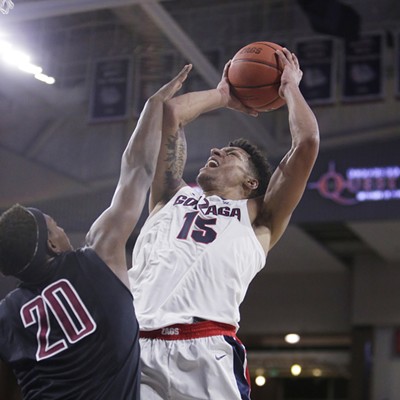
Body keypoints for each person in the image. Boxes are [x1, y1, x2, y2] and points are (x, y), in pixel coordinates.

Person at [128, 48, 320, 399]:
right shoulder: (170, 195)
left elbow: (306, 143)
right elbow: (170, 114)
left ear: (251, 184)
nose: (216, 152)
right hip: (137, 347)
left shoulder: (260, 216)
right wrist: (222, 95)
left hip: (206, 349)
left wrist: (289, 87)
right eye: (218, 151)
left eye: (231, 155)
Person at [0, 64, 192, 400]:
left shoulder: (6, 315)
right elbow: (138, 171)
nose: (59, 224)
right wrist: (152, 108)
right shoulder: (97, 258)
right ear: (52, 243)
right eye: (52, 222)